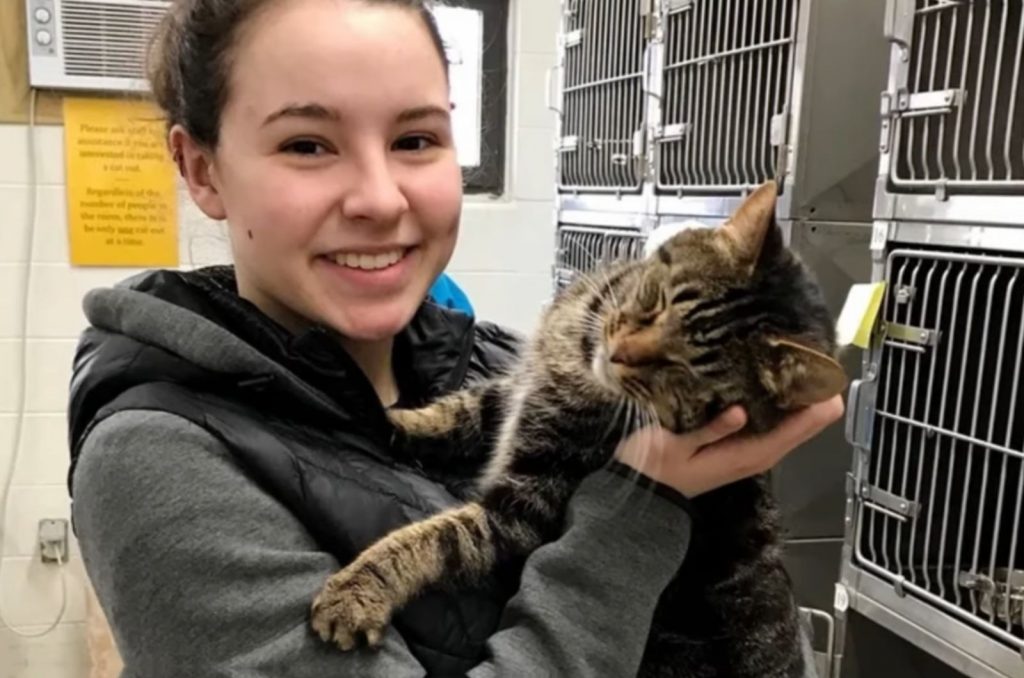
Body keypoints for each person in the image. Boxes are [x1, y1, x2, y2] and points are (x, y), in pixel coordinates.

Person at [66, 0, 845, 676]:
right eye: (307, 144)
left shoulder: (495, 359)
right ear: (201, 169)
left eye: (415, 140)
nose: (379, 197)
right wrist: (645, 508)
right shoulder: (158, 460)